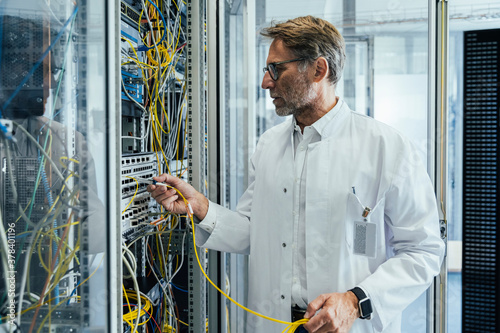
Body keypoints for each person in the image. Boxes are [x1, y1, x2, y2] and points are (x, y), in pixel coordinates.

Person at [148, 15, 445, 333]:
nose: (266, 82)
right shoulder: (269, 145)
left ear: (319, 70)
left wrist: (356, 301)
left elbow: (423, 251)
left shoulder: (387, 147)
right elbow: (253, 232)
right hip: (273, 323)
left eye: (276, 69)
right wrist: (200, 206)